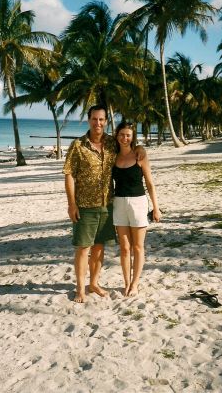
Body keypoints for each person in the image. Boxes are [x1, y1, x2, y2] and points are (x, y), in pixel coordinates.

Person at [63, 105, 145, 303]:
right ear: (88, 119)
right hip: (84, 205)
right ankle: (80, 289)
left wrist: (140, 148)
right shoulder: (78, 145)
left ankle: (94, 283)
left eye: (101, 120)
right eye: (94, 119)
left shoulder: (111, 143)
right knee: (83, 248)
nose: (97, 123)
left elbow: (129, 146)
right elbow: (69, 175)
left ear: (106, 121)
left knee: (99, 248)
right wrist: (71, 204)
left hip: (107, 205)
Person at [112, 121, 161, 297]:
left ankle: (135, 283)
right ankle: (126, 282)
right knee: (125, 248)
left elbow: (149, 183)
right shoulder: (113, 156)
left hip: (138, 203)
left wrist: (156, 208)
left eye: (128, 135)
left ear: (133, 138)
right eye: (121, 134)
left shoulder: (140, 155)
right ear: (117, 136)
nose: (124, 138)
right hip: (119, 204)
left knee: (138, 247)